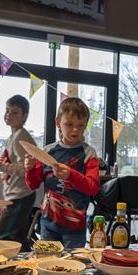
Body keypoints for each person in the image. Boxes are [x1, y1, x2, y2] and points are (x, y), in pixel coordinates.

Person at [24, 97, 100, 249]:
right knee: (47, 264)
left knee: (73, 266)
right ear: (58, 123)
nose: (75, 130)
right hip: (47, 224)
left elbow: (93, 188)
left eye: (81, 125)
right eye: (69, 124)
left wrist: (70, 175)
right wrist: (30, 168)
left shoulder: (89, 154)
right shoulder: (47, 151)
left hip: (75, 228)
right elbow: (33, 184)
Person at [0, 95, 37, 251]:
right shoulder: (13, 136)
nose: (9, 114)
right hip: (16, 194)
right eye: (7, 111)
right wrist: (1, 164)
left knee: (0, 235)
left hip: (20, 196)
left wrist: (1, 166)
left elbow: (25, 168)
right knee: (19, 236)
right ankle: (30, 265)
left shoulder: (21, 137)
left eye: (15, 112)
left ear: (25, 116)